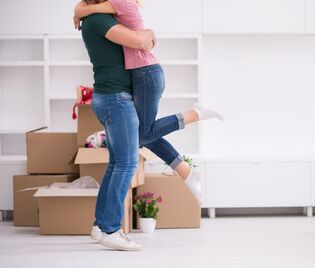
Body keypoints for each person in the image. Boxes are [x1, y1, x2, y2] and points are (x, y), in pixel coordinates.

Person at [74, 0, 223, 206]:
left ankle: (194, 117)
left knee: (142, 135)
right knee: (143, 134)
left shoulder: (120, 2)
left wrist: (79, 11)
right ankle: (186, 171)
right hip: (142, 74)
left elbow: (90, 9)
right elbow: (91, 8)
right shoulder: (113, 6)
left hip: (146, 74)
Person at [77, 2, 155, 251]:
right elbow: (140, 41)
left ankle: (101, 226)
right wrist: (150, 33)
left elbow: (82, 7)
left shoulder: (95, 16)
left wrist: (79, 10)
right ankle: (111, 230)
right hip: (116, 98)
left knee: (116, 163)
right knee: (127, 163)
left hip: (112, 97)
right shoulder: (100, 20)